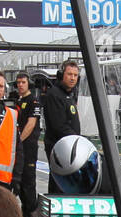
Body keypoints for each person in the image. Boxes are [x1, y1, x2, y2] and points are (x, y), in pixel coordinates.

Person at [43, 60, 82, 194]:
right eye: (69, 74)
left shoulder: (69, 94)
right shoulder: (54, 94)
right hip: (59, 147)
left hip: (68, 146)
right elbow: (58, 126)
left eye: (75, 75)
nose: (72, 78)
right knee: (59, 183)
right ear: (61, 75)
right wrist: (78, 141)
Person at [11, 72, 42, 215]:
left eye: (23, 82)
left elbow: (31, 124)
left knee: (29, 180)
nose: (20, 85)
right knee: (19, 179)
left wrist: (19, 141)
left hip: (28, 146)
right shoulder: (16, 100)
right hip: (18, 147)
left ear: (28, 83)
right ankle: (24, 210)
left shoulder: (33, 101)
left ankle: (31, 212)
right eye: (18, 83)